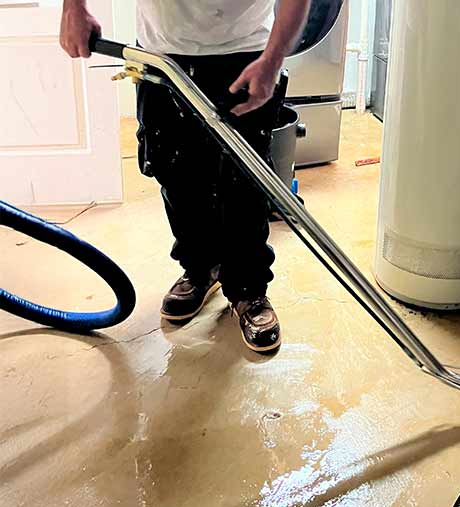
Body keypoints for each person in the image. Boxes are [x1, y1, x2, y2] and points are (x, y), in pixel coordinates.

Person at [59, 0, 311, 352]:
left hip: (244, 51)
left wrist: (272, 60)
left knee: (243, 183)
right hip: (161, 52)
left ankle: (248, 289)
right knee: (176, 174)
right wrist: (73, 9)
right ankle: (200, 268)